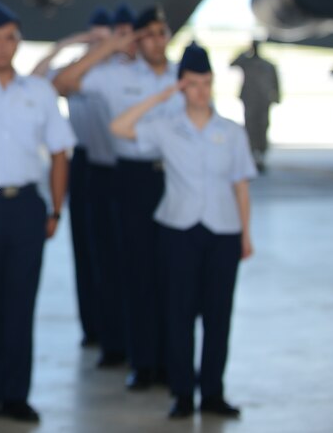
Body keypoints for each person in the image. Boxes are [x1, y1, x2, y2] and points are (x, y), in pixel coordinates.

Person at [110, 42, 255, 420]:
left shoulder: (232, 132)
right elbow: (119, 127)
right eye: (192, 83)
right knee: (178, 314)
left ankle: (212, 393)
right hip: (178, 230)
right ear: (181, 86)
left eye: (206, 82)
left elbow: (242, 184)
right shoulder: (166, 128)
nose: (201, 90)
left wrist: (246, 235)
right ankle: (183, 393)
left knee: (218, 316)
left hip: (223, 231)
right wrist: (163, 95)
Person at [53, 5, 182, 389]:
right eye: (149, 33)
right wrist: (110, 46)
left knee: (173, 275)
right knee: (137, 271)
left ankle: (172, 362)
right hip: (134, 179)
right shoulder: (113, 75)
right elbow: (62, 82)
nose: (157, 40)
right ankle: (143, 363)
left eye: (163, 32)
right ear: (137, 38)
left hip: (175, 177)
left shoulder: (182, 76)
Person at [0, 1, 75, 424]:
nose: (3, 46)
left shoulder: (39, 92)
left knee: (21, 303)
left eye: (10, 38)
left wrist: (56, 210)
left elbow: (61, 152)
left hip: (27, 205)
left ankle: (16, 395)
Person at [32, 7, 113, 349]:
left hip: (121, 170)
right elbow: (48, 81)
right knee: (87, 252)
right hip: (85, 166)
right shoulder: (81, 69)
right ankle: (93, 327)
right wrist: (78, 44)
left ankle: (116, 333)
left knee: (118, 258)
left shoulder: (121, 70)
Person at [230, 40, 280, 173]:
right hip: (250, 100)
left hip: (263, 101)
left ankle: (261, 156)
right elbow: (232, 64)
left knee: (262, 128)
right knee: (250, 128)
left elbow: (275, 81)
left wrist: (277, 97)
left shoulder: (268, 65)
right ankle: (252, 156)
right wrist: (244, 52)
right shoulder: (246, 63)